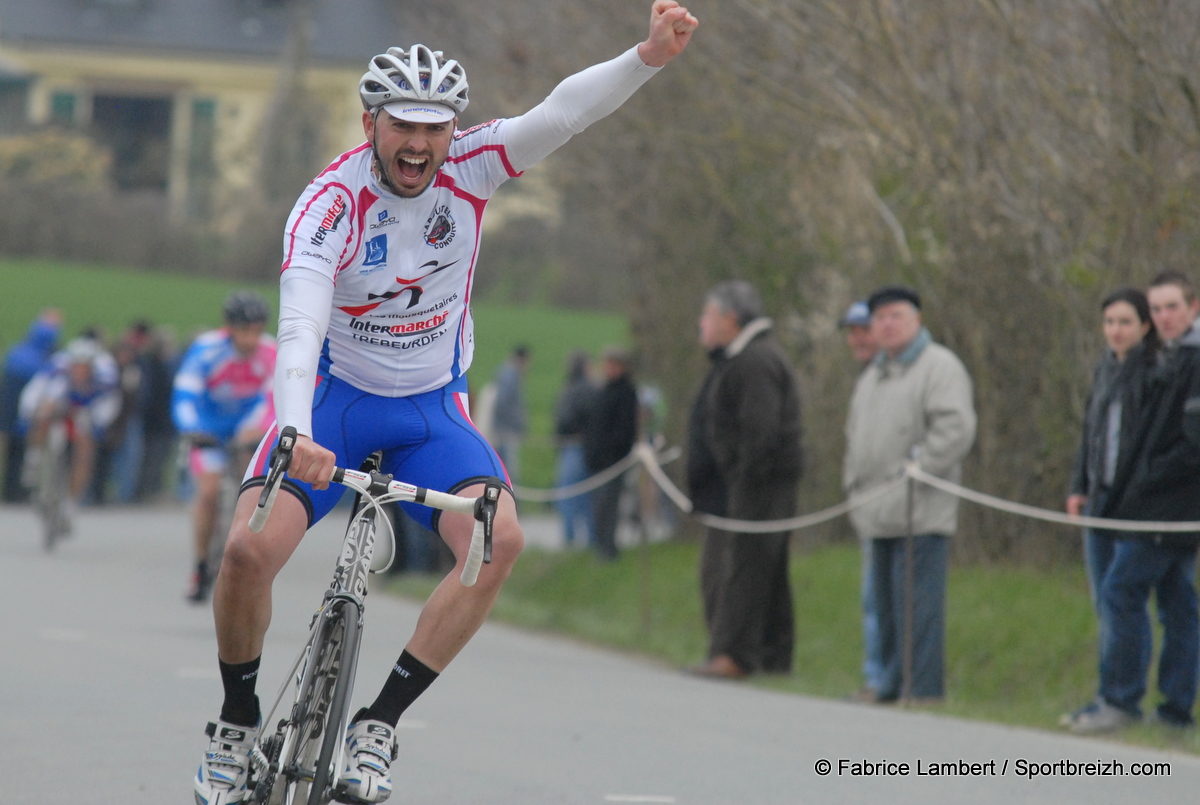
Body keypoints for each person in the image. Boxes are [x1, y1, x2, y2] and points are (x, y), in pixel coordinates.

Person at [193, 6, 698, 804]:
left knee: (498, 541)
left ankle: (379, 724)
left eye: (435, 127)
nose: (420, 145)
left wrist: (645, 57)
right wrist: (294, 429)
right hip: (334, 403)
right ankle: (234, 721)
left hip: (432, 408)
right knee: (247, 552)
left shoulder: (475, 165)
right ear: (370, 123)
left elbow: (561, 115)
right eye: (403, 127)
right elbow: (298, 329)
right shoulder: (330, 203)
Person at [1067, 271, 1200, 733]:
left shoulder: (1189, 361)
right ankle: (1174, 711)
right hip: (1142, 503)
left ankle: (1122, 701)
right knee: (1177, 602)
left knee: (1122, 591)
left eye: (1172, 308)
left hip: (1171, 509)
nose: (1164, 317)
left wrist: (1141, 483)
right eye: (1157, 308)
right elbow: (1100, 434)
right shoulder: (1168, 359)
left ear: (1193, 307)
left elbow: (1189, 446)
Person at [843, 285, 976, 704]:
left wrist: (921, 471)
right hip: (875, 511)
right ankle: (888, 683)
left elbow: (955, 428)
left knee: (918, 608)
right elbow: (855, 438)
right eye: (879, 318)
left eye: (895, 316)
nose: (886, 325)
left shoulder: (939, 367)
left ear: (916, 320)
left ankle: (921, 690)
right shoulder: (873, 375)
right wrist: (853, 487)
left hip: (920, 510)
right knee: (883, 607)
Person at [685, 280, 804, 680]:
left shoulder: (755, 360)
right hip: (753, 482)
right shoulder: (745, 356)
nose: (702, 322)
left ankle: (735, 655)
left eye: (708, 314)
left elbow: (761, 430)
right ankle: (772, 657)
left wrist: (742, 477)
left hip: (761, 484)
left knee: (748, 565)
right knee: (763, 566)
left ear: (731, 320)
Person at [172, 292, 276, 604]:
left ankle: (241, 554)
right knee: (207, 493)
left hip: (247, 429)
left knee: (252, 487)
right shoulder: (206, 350)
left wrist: (258, 427)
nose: (251, 339)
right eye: (244, 331)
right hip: (208, 431)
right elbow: (184, 395)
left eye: (257, 331)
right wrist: (192, 428)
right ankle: (201, 565)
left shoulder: (271, 352)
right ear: (229, 328)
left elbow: (275, 398)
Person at [1065, 288, 1156, 610]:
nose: (1116, 330)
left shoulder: (1153, 371)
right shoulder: (1103, 369)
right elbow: (1090, 432)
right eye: (1109, 322)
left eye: (1125, 322)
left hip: (1134, 503)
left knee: (1124, 599)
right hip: (1098, 499)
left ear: (1145, 326)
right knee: (1102, 597)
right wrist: (1079, 487)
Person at [18, 336, 121, 523]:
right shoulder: (58, 368)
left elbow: (111, 403)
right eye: (76, 367)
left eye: (85, 367)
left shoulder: (105, 374)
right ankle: (33, 459)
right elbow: (35, 391)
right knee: (44, 414)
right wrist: (30, 414)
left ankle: (71, 501)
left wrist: (98, 423)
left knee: (85, 447)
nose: (80, 371)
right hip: (62, 403)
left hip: (88, 409)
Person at [839, 298, 884, 699]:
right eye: (852, 332)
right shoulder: (866, 380)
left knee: (883, 595)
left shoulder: (893, 376)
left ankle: (885, 678)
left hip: (897, 504)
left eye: (863, 330)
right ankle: (876, 676)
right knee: (871, 595)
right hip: (868, 503)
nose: (858, 339)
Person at [583, 346, 639, 561]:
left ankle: (608, 550)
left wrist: (608, 452)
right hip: (597, 461)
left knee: (608, 506)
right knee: (598, 506)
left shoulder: (626, 392)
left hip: (612, 461)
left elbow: (624, 430)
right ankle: (599, 547)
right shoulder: (605, 390)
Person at [0, 309, 62, 502]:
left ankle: (11, 489)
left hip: (9, 407)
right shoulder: (42, 356)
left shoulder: (17, 351)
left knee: (11, 450)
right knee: (21, 451)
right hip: (22, 410)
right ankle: (16, 491)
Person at [552, 350, 596, 547]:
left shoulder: (567, 390)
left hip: (569, 447)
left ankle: (569, 539)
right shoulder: (590, 390)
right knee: (588, 496)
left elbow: (562, 419)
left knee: (568, 495)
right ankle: (591, 539)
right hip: (585, 446)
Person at [490, 344, 530, 483]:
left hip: (502, 430)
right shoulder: (510, 375)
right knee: (509, 473)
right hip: (506, 432)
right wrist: (516, 424)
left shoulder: (504, 372)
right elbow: (503, 403)